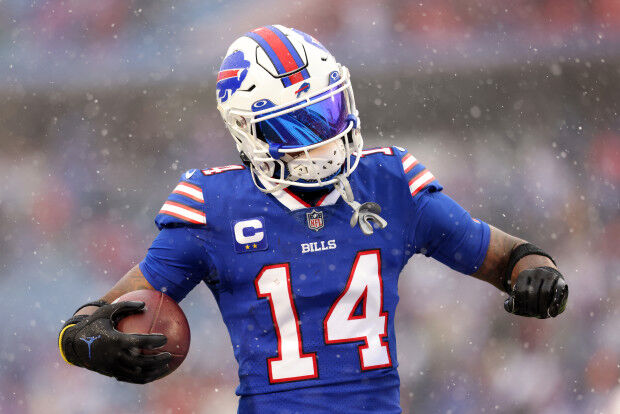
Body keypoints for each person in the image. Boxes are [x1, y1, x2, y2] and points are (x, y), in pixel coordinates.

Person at [58, 25, 568, 413]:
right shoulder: (213, 207)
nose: (322, 138)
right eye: (297, 124)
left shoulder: (389, 185)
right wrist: (91, 343)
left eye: (325, 112)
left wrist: (539, 276)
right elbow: (90, 319)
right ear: (248, 131)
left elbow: (509, 258)